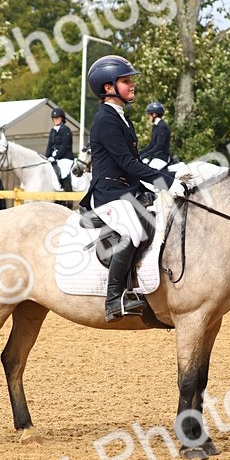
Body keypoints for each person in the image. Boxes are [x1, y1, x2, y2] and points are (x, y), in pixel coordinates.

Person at [81, 55, 187, 322]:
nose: (132, 85)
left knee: (155, 222)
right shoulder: (106, 118)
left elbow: (133, 164)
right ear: (108, 87)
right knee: (134, 231)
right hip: (108, 193)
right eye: (126, 81)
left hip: (125, 190)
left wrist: (165, 179)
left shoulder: (122, 117)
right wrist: (166, 182)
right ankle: (114, 299)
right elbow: (127, 163)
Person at [45, 106, 75, 189]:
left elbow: (64, 146)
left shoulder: (66, 130)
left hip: (65, 158)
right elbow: (49, 145)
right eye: (54, 118)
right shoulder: (52, 130)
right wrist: (47, 156)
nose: (55, 119)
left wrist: (55, 157)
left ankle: (67, 195)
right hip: (55, 157)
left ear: (62, 118)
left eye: (57, 118)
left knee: (64, 171)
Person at [139, 101, 172, 169]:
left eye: (149, 115)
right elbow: (151, 144)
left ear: (154, 114)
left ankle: (161, 180)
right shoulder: (156, 126)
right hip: (155, 156)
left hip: (162, 157)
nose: (149, 117)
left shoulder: (162, 127)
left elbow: (159, 146)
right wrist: (139, 153)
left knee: (150, 173)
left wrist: (145, 155)